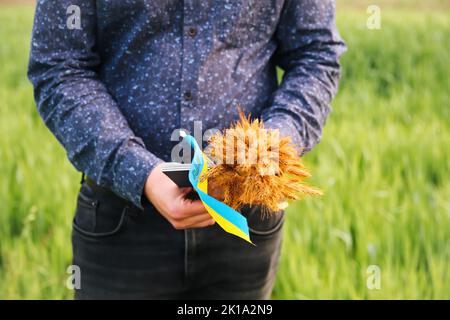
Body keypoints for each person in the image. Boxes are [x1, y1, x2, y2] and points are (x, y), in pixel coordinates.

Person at [28, 0, 346, 299]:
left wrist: (268, 148)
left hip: (246, 217)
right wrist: (138, 172)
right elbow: (59, 66)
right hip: (121, 222)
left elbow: (315, 53)